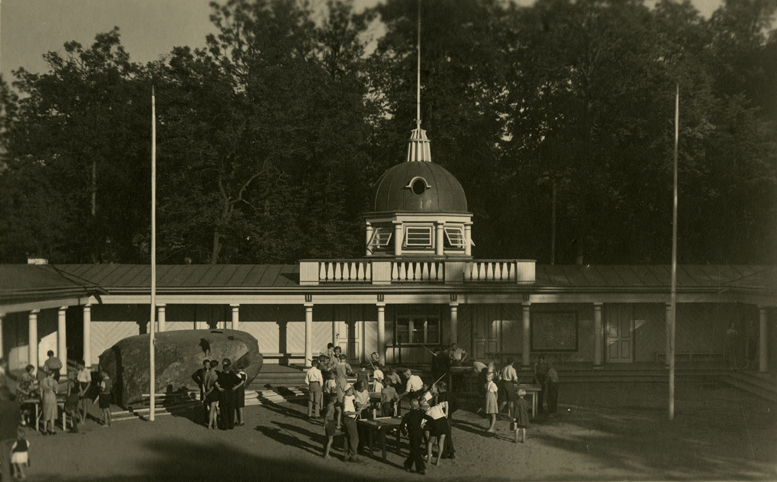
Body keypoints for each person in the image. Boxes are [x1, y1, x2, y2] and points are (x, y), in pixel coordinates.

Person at [400, 398, 434, 475]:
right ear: (418, 406)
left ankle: (409, 465)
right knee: (416, 450)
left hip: (412, 435)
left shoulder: (407, 415)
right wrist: (425, 425)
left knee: (415, 451)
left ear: (410, 406)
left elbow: (401, 426)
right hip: (419, 434)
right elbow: (431, 419)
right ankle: (420, 468)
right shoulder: (420, 414)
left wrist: (406, 433)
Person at [215, 358, 240, 430]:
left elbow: (216, 382)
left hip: (224, 393)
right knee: (231, 409)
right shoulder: (232, 374)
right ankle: (231, 425)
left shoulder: (221, 374)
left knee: (223, 410)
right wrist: (235, 387)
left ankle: (224, 425)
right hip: (231, 393)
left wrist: (219, 388)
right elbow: (241, 381)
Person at [436, 381, 456, 459]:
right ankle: (451, 452)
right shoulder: (451, 394)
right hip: (449, 417)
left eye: (438, 388)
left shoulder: (441, 396)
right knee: (448, 434)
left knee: (442, 435)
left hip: (442, 416)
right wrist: (450, 411)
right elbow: (456, 405)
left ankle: (444, 453)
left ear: (441, 388)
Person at [341, 384, 360, 462]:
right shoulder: (347, 400)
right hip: (349, 419)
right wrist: (356, 413)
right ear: (348, 391)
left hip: (347, 420)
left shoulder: (348, 397)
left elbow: (355, 396)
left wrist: (353, 388)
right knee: (354, 437)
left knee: (347, 437)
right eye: (351, 390)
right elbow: (345, 412)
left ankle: (346, 455)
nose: (353, 391)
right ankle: (353, 456)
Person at [40, 370, 58, 435]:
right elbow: (56, 391)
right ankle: (52, 430)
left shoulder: (42, 381)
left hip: (45, 397)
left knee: (45, 413)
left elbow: (41, 391)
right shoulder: (54, 381)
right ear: (52, 374)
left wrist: (42, 399)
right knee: (52, 414)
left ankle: (45, 430)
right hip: (52, 397)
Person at [204, 360, 220, 429]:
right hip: (213, 392)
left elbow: (204, 383)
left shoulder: (207, 373)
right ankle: (210, 425)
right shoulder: (215, 374)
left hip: (208, 391)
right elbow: (214, 386)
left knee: (213, 409)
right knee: (212, 409)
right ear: (216, 366)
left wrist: (206, 392)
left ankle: (215, 423)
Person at [76, 361, 91, 425]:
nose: (77, 366)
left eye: (78, 365)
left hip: (85, 387)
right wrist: (80, 390)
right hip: (80, 387)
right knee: (75, 403)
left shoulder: (87, 371)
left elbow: (89, 383)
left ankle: (83, 419)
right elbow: (78, 381)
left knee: (84, 404)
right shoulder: (79, 372)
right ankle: (80, 417)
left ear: (81, 365)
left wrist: (84, 391)